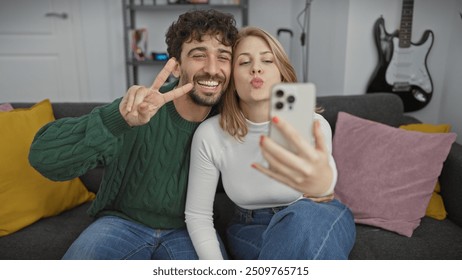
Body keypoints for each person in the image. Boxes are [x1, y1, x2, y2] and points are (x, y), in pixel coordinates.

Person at [28, 9, 238, 260]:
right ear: (176, 66)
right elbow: (43, 157)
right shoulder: (137, 109)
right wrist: (117, 120)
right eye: (199, 55)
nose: (212, 69)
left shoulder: (231, 120)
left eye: (223, 56)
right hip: (121, 224)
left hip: (191, 230)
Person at [185, 26, 356, 260]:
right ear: (232, 79)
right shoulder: (210, 134)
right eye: (244, 63)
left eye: (267, 61)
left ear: (281, 74)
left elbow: (322, 194)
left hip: (318, 216)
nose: (256, 68)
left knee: (304, 217)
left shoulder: (313, 124)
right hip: (251, 227)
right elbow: (198, 215)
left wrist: (321, 184)